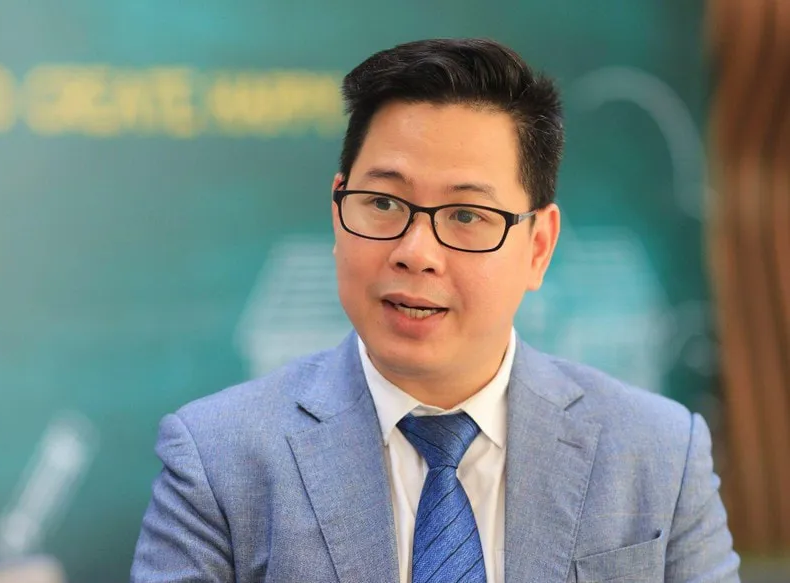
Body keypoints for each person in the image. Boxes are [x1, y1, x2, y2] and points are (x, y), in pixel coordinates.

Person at [130, 38, 740, 583]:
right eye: (383, 203)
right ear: (338, 211)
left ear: (538, 247)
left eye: (467, 215)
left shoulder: (658, 454)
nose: (415, 253)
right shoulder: (217, 459)